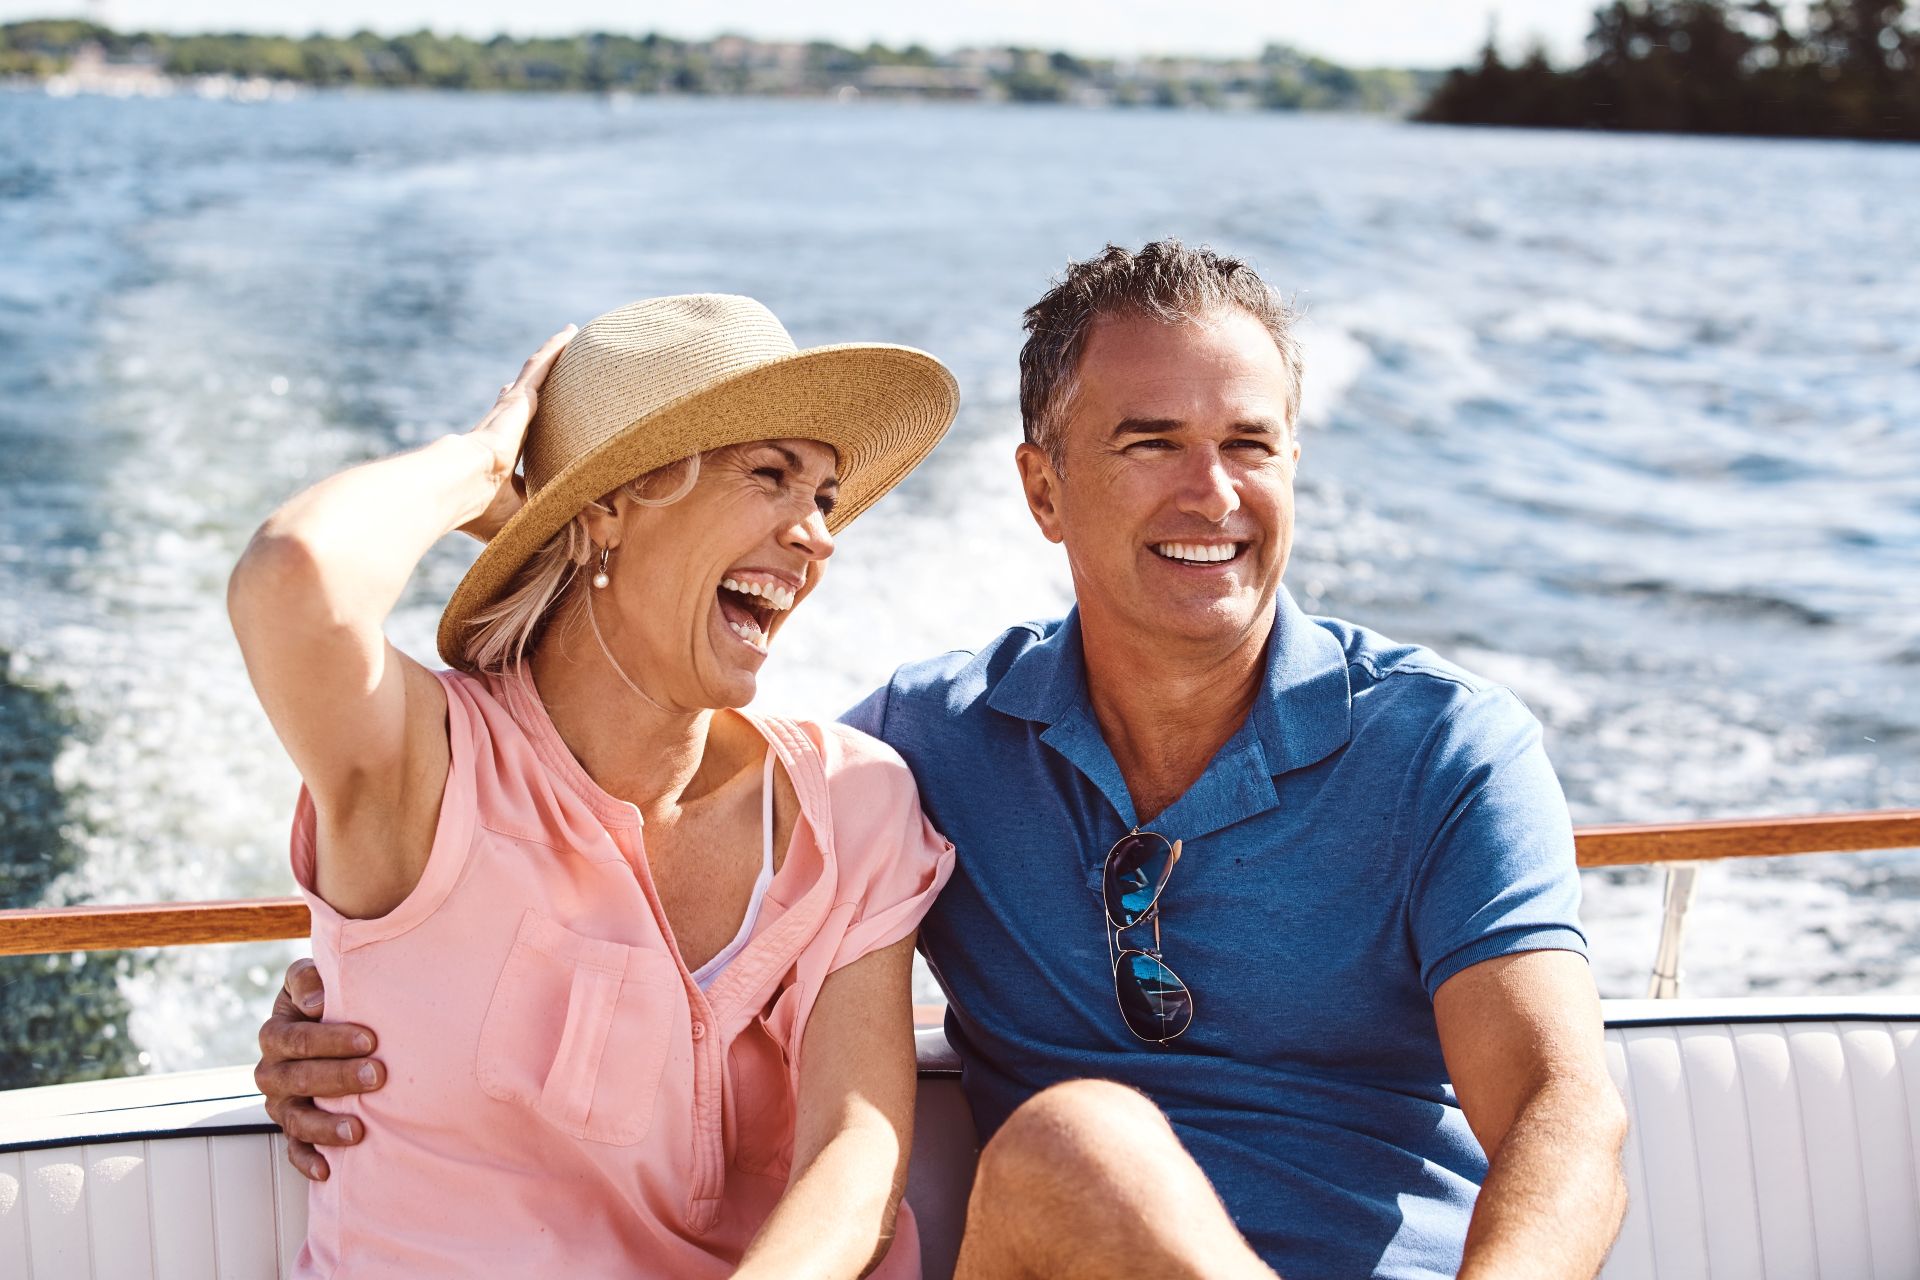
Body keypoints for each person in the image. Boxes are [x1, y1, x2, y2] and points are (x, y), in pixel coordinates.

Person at [257, 244, 1628, 1279]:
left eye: (1249, 447)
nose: (1211, 495)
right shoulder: (925, 748)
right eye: (1152, 444)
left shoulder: (1444, 744)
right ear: (1041, 490)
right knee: (1073, 1145)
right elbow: (503, 780)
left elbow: (1566, 1107)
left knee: (1072, 1140)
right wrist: (359, 973)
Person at [228, 293, 961, 1278]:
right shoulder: (428, 764)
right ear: (609, 506)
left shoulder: (855, 802)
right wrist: (488, 466)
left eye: (823, 495)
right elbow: (293, 574)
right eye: (771, 476)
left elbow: (854, 1155)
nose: (818, 533)